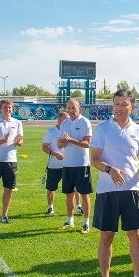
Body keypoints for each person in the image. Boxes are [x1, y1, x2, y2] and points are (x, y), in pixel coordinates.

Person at [90, 89, 139, 277]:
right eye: (116, 104)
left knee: (135, 235)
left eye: (124, 104)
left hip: (133, 190)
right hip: (107, 190)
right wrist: (110, 169)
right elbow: (95, 159)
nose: (119, 108)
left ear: (132, 107)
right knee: (106, 236)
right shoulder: (102, 128)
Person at [58, 98, 93, 233]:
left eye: (73, 108)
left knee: (84, 194)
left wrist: (70, 139)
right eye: (69, 108)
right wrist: (62, 142)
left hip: (82, 164)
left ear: (79, 108)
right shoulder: (64, 123)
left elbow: (87, 143)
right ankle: (70, 221)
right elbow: (60, 144)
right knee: (69, 194)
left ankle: (86, 223)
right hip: (67, 164)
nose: (71, 110)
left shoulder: (84, 122)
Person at [42, 110, 69, 215]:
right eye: (65, 119)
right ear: (59, 119)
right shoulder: (51, 131)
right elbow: (44, 147)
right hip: (54, 165)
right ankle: (50, 207)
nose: (67, 121)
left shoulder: (70, 131)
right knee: (51, 187)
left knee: (73, 188)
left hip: (69, 164)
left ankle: (78, 206)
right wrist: (55, 154)